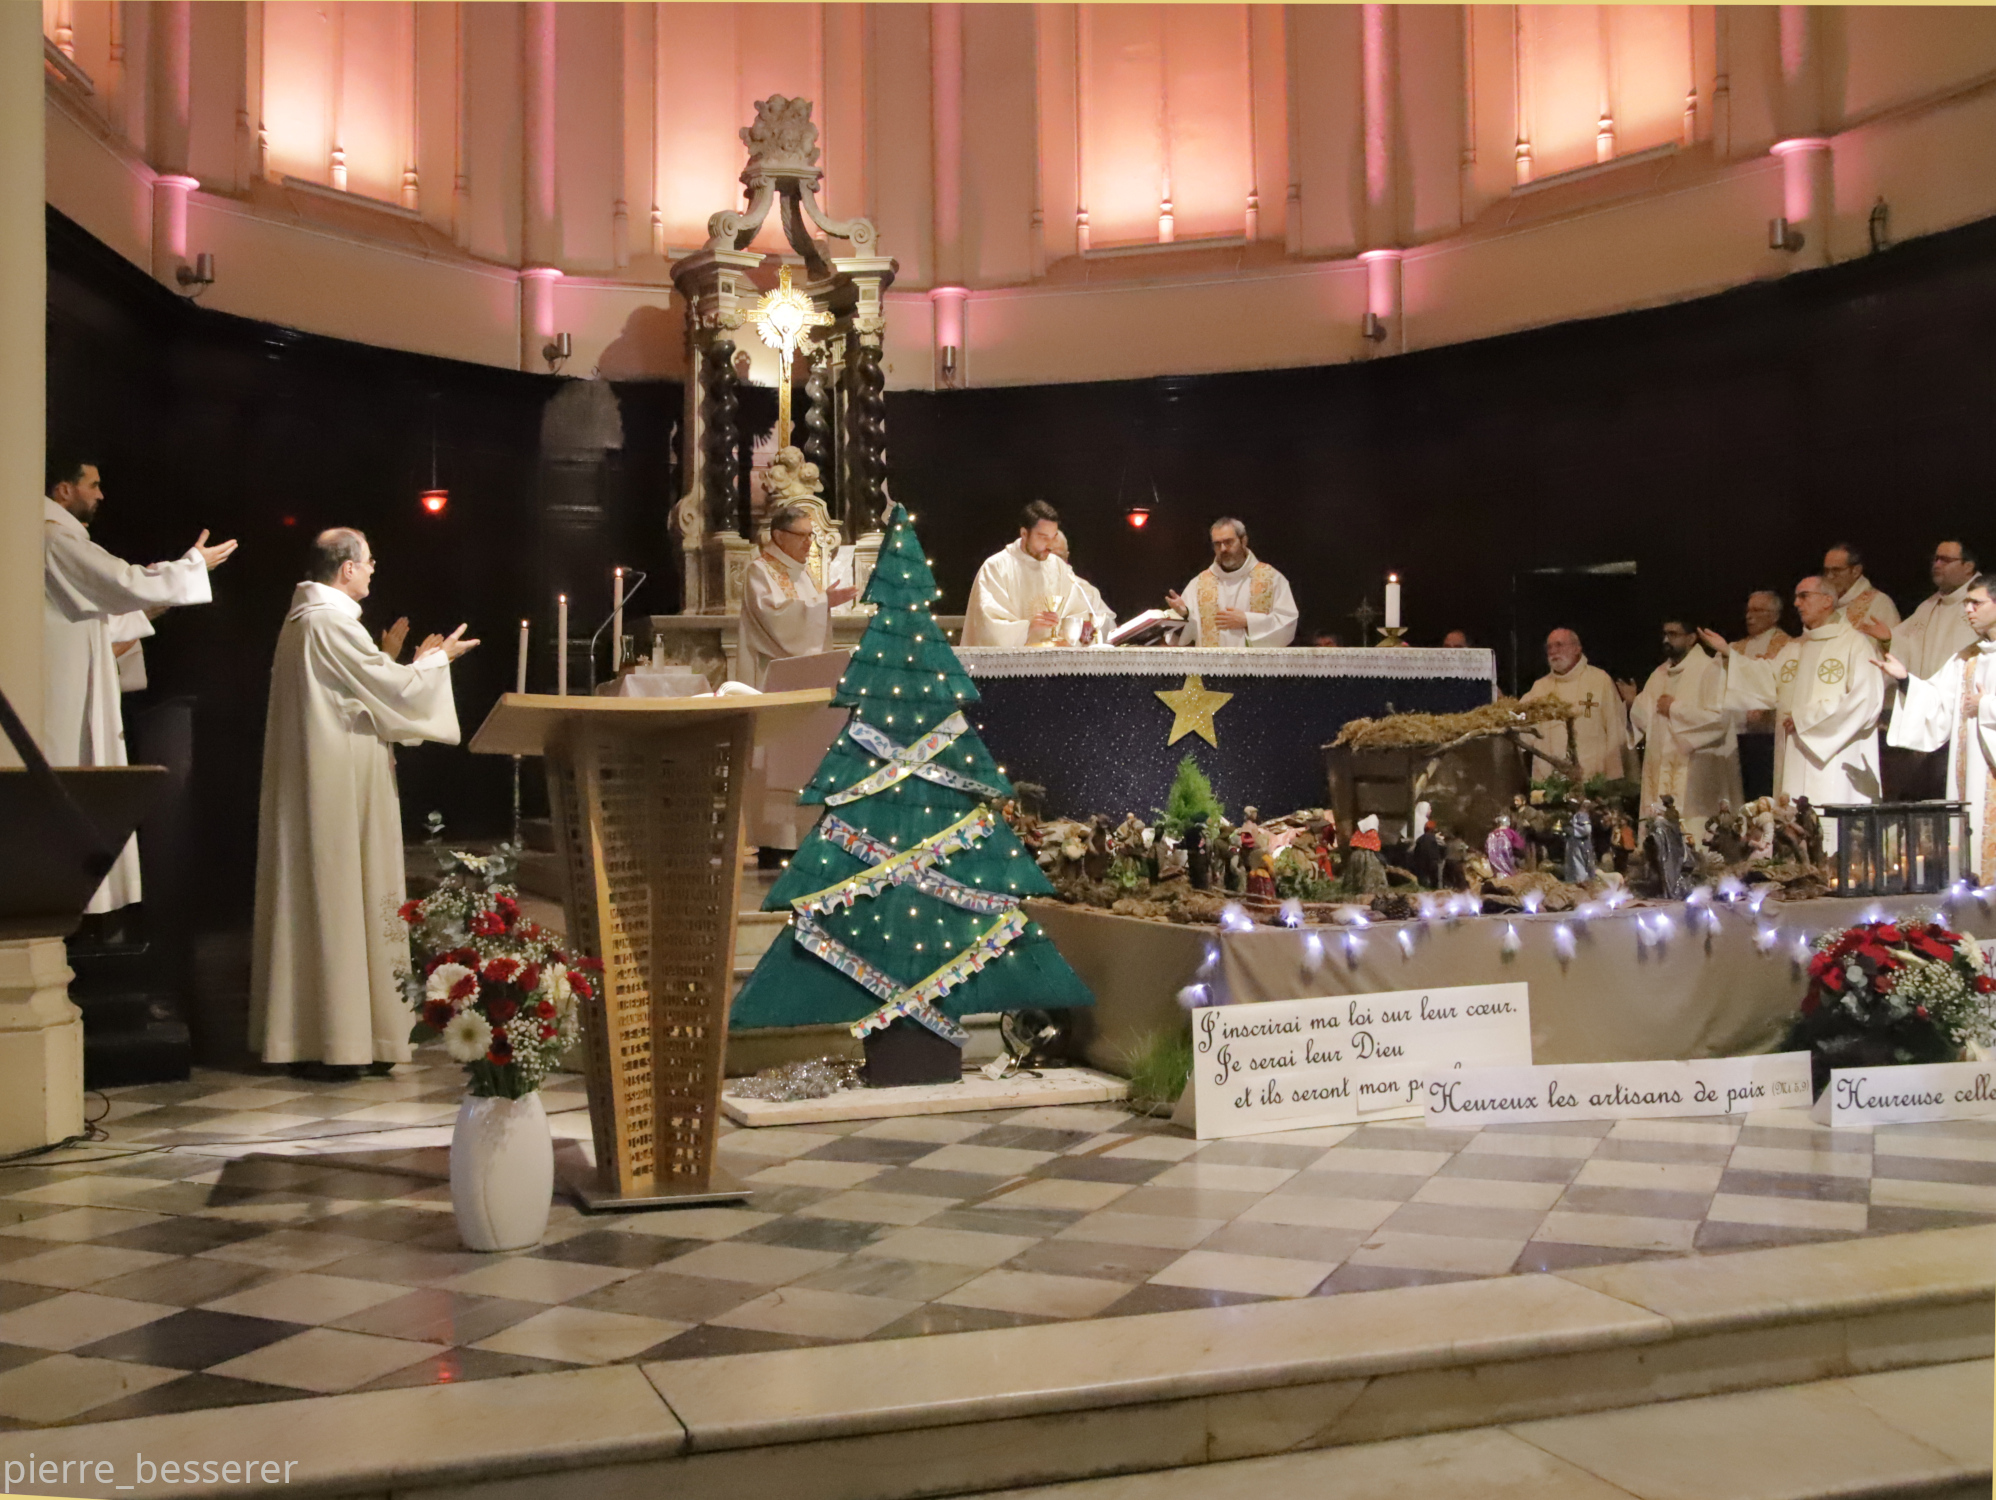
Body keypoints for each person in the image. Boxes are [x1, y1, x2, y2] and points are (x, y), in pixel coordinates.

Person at [249, 528, 480, 1081]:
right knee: (340, 890)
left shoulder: (304, 620)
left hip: (328, 774)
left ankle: (323, 1031)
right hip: (339, 780)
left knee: (326, 893)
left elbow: (363, 687)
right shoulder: (327, 621)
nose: (374, 569)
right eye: (369, 561)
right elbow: (391, 690)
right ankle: (344, 1038)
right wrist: (435, 662)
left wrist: (405, 663)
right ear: (346, 568)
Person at [42, 456, 238, 914]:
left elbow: (98, 621)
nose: (100, 494)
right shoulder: (54, 537)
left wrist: (154, 602)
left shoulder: (58, 537)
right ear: (63, 490)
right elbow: (121, 581)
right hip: (58, 695)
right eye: (92, 484)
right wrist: (189, 567)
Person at [1698, 575, 1886, 843]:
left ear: (1827, 601)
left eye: (1804, 596)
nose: (1796, 603)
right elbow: (1767, 680)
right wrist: (1729, 653)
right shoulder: (1794, 648)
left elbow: (1866, 701)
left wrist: (1807, 720)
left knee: (1830, 828)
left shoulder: (1854, 644)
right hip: (1794, 755)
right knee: (1794, 822)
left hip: (1835, 759)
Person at [1878, 574, 1996, 883]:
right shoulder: (1967, 657)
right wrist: (1905, 679)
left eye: (1976, 603)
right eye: (1966, 602)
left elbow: (1979, 704)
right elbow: (1937, 701)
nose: (1968, 609)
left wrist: (1985, 706)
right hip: (1971, 773)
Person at [1876, 541, 1980, 800]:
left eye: (1945, 560)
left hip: (1967, 719)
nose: (1937, 565)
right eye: (1935, 559)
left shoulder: (1981, 604)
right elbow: (1909, 644)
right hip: (1935, 708)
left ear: (1968, 567)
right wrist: (1890, 641)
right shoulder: (1929, 606)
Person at [1623, 617, 1741, 838]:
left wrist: (1675, 709)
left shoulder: (1710, 669)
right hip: (1661, 764)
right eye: (1665, 634)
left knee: (1693, 829)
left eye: (1674, 634)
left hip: (1696, 769)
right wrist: (1633, 703)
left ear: (1691, 638)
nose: (1667, 640)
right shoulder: (1659, 673)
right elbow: (1645, 718)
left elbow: (1719, 719)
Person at [738, 502, 857, 686]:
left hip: (805, 673)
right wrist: (823, 602)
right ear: (779, 536)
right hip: (770, 672)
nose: (809, 542)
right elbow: (774, 619)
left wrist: (824, 602)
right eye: (801, 535)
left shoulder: (806, 572)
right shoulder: (759, 571)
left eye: (811, 534)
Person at [961, 500, 1089, 647]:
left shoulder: (1058, 567)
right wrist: (1028, 628)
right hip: (1011, 667)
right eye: (1043, 537)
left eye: (1053, 537)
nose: (1050, 546)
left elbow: (1077, 612)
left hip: (1053, 664)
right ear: (1024, 533)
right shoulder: (996, 568)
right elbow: (988, 627)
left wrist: (1065, 633)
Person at [1165, 517, 1297, 648]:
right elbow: (1184, 637)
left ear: (1243, 541)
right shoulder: (1199, 584)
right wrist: (1184, 615)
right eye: (1217, 544)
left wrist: (1247, 621)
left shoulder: (1271, 578)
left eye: (1228, 542)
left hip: (1255, 667)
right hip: (1212, 667)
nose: (1223, 549)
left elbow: (1287, 623)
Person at [1521, 628, 1632, 784]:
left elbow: (1615, 731)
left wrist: (1613, 779)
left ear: (1577, 649)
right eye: (1549, 647)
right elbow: (1521, 725)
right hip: (1550, 783)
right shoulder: (1539, 688)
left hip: (1592, 781)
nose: (1553, 651)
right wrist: (1502, 707)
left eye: (1559, 645)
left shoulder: (1599, 680)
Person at [1732, 590, 1793, 801]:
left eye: (1757, 610)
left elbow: (1789, 686)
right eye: (1748, 610)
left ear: (1775, 616)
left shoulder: (1789, 647)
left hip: (1769, 735)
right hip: (1738, 734)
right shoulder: (1735, 649)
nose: (1749, 616)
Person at [1821, 543, 1900, 649]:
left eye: (1836, 571)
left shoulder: (1879, 603)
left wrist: (1887, 641)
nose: (1829, 576)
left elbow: (1898, 648)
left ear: (1856, 571)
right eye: (1826, 571)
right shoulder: (1824, 603)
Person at [1050, 529, 1115, 643]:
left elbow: (1109, 630)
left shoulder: (1085, 590)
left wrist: (1091, 630)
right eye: (1049, 556)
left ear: (1067, 558)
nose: (1055, 563)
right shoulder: (1025, 586)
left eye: (1059, 557)